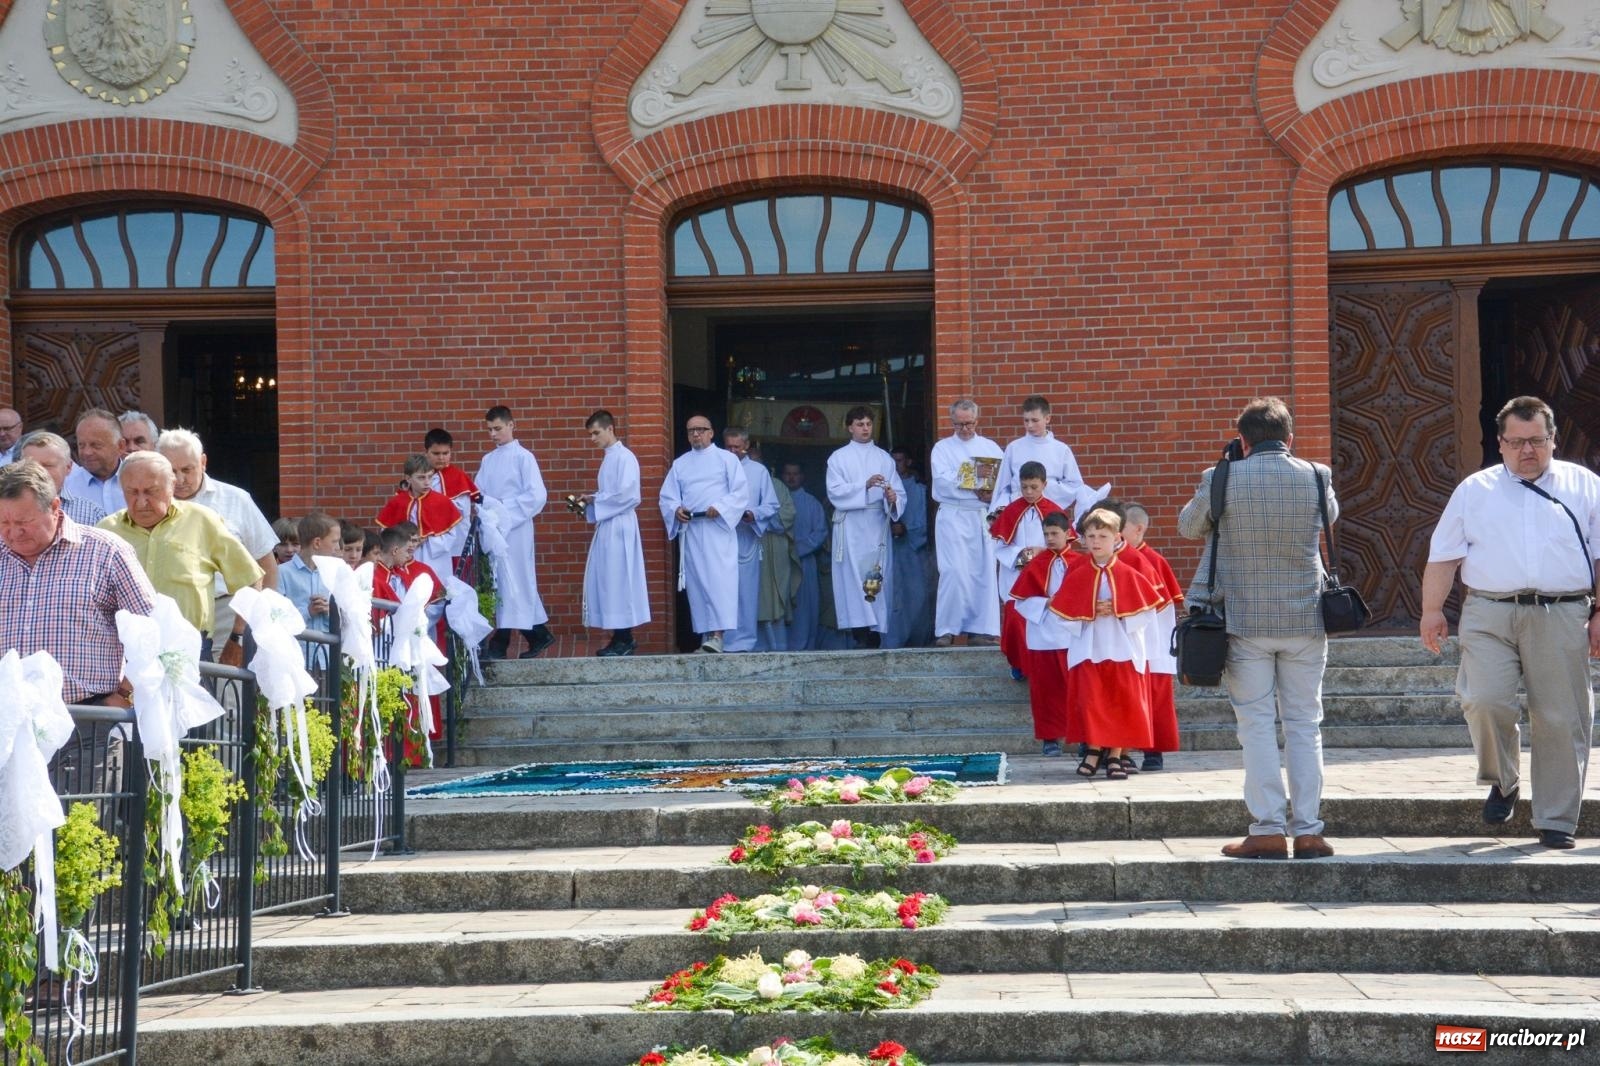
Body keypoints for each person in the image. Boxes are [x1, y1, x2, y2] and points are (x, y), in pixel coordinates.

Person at [1420, 395, 1600, 850]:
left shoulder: (1585, 485)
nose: (1527, 451)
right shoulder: (1474, 490)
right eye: (1516, 442)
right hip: (1489, 610)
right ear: (1499, 443)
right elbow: (1443, 556)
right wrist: (1431, 610)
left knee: (1561, 717)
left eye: (1536, 440)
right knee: (1483, 700)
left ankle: (1556, 818)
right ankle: (1504, 779)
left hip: (1562, 611)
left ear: (1553, 440)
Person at [1179, 397, 1337, 860]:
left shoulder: (1221, 477)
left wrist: (1225, 473)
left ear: (1243, 441)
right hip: (1306, 620)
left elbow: (1189, 527)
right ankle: (1308, 831)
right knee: (1305, 725)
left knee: (1256, 726)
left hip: (1245, 620)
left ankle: (1267, 829)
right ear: (1290, 439)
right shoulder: (1316, 475)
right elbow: (1329, 518)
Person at [0, 460, 155, 705]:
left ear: (54, 507)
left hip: (88, 715)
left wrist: (125, 696)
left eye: (23, 522)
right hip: (7, 717)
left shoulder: (106, 551)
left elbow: (154, 631)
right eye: (3, 523)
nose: (13, 532)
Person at [99, 450, 263, 667]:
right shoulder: (106, 531)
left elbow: (250, 579)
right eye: (132, 492)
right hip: (123, 654)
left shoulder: (202, 521)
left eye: (151, 491)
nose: (141, 502)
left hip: (190, 652)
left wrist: (238, 638)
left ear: (172, 485)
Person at [1050, 507, 1163, 779]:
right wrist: (1089, 609)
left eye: (1103, 536)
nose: (1096, 541)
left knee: (1120, 701)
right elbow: (1062, 614)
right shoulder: (1077, 573)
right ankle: (1093, 750)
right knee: (1092, 701)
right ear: (1083, 539)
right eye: (1091, 536)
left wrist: (1119, 609)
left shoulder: (1129, 573)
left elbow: (1147, 613)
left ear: (1116, 538)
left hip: (1122, 647)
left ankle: (1115, 755)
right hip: (1089, 647)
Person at [157, 428, 280, 655]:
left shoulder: (236, 500)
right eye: (172, 471)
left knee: (225, 677)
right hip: (171, 612)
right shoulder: (149, 506)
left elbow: (266, 564)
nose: (180, 479)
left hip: (228, 610)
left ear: (203, 462)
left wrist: (256, 625)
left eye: (187, 469)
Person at [659, 414, 747, 653]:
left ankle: (718, 635)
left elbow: (740, 492)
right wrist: (676, 509)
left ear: (711, 432)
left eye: (700, 429)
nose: (696, 434)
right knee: (698, 584)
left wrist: (720, 507)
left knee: (719, 582)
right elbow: (667, 497)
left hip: (717, 530)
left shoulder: (727, 459)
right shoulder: (681, 464)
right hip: (693, 530)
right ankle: (707, 636)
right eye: (691, 431)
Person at [475, 406, 553, 659]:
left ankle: (503, 641)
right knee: (502, 582)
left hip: (516, 530)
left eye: (497, 428)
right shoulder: (488, 460)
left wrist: (502, 508)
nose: (493, 434)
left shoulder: (524, 458)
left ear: (511, 425)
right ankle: (535, 634)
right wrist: (487, 513)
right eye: (489, 429)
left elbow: (537, 495)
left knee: (517, 579)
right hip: (495, 529)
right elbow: (479, 493)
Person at [826, 407, 905, 647]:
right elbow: (834, 491)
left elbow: (898, 491)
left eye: (869, 424)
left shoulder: (884, 458)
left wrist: (893, 498)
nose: (865, 428)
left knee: (876, 574)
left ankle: (875, 631)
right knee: (853, 577)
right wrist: (864, 485)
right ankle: (859, 631)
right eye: (860, 424)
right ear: (850, 427)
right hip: (851, 524)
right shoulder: (838, 457)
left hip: (876, 524)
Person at [930, 399, 1005, 646]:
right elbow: (942, 481)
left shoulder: (990, 447)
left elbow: (1004, 480)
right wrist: (974, 474)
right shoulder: (942, 448)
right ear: (952, 422)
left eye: (969, 424)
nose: (964, 429)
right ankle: (947, 629)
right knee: (953, 571)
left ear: (976, 421)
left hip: (981, 515)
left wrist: (990, 494)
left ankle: (980, 630)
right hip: (954, 515)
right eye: (959, 424)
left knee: (983, 573)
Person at [575, 410, 649, 656]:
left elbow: (629, 495)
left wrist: (598, 502)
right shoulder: (609, 458)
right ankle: (619, 636)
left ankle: (624, 638)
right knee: (609, 580)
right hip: (609, 525)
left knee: (619, 580)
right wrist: (592, 499)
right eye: (590, 434)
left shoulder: (625, 457)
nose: (593, 438)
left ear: (610, 429)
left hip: (620, 526)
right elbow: (612, 493)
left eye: (596, 433)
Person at [1118, 502, 1184, 772]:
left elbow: (1162, 606)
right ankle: (1118, 752)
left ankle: (1153, 752)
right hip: (1122, 639)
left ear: (1138, 529)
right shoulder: (1112, 559)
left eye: (1120, 528)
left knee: (1155, 699)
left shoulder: (1154, 561)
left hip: (1153, 640)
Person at [989, 462, 1066, 679]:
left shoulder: (1054, 511)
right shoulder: (1011, 511)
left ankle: (1040, 667)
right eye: (1024, 487)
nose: (1029, 492)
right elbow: (1000, 545)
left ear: (1044, 485)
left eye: (1034, 487)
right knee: (1016, 620)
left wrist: (1042, 553)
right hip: (1016, 573)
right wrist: (1021, 556)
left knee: (1042, 619)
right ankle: (1018, 664)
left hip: (1045, 575)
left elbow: (1063, 543)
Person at [1010, 510, 1076, 755]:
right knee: (1045, 691)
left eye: (1054, 533)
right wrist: (1047, 602)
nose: (1049, 538)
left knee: (1077, 690)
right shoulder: (1035, 564)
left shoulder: (1080, 562)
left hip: (1074, 636)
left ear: (1067, 534)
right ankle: (1050, 738)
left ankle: (1083, 737)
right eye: (1046, 534)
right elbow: (1020, 602)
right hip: (1043, 635)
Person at [722, 427, 781, 653]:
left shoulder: (758, 471)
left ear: (746, 446)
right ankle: (718, 639)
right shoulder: (717, 467)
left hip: (746, 536)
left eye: (737, 447)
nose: (732, 451)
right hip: (719, 536)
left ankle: (744, 642)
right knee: (720, 589)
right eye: (728, 447)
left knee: (746, 591)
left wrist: (752, 514)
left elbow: (772, 505)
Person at [993, 395, 1099, 513]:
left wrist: (1047, 488)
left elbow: (1075, 485)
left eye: (1035, 420)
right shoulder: (1013, 448)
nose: (1030, 425)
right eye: (1026, 420)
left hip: (1049, 513)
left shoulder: (1061, 449)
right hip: (1018, 511)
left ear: (1047, 418)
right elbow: (1003, 486)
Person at [376, 454, 464, 580]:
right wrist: (403, 542)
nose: (427, 482)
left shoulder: (442, 502)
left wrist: (428, 540)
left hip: (434, 559)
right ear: (408, 478)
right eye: (421, 478)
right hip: (404, 557)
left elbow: (452, 536)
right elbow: (386, 534)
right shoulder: (397, 502)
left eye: (430, 477)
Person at [749, 442, 798, 652]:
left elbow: (789, 513)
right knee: (749, 598)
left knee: (774, 600)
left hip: (774, 548)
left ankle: (778, 648)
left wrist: (759, 519)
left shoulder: (776, 485)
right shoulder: (735, 484)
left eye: (757, 461)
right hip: (749, 545)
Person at [781, 463, 828, 651]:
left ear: (802, 476)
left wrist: (797, 550)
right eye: (788, 474)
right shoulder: (776, 501)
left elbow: (820, 532)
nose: (791, 478)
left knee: (805, 606)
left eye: (795, 474)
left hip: (805, 562)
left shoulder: (812, 503)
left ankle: (805, 647)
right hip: (781, 562)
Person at [886, 447, 930, 649]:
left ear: (908, 462)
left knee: (916, 595)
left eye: (900, 461)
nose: (896, 466)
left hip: (913, 552)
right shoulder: (884, 489)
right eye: (892, 461)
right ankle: (892, 641)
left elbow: (926, 521)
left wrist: (906, 529)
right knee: (891, 597)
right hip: (890, 551)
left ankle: (917, 640)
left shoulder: (920, 490)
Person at [17, 431, 105, 526]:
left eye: (47, 465)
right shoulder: (7, 509)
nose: (38, 471)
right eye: (31, 465)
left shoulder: (93, 514)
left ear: (68, 467)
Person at [279, 511, 341, 636]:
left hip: (327, 648)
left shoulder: (337, 573)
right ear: (317, 543)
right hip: (296, 646)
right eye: (334, 542)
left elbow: (349, 618)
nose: (338, 547)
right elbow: (275, 617)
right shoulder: (282, 573)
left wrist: (331, 611)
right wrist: (308, 612)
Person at [424, 427, 479, 568]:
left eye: (445, 453)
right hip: (429, 542)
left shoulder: (458, 476)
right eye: (436, 453)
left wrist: (431, 505)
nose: (441, 458)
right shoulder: (419, 476)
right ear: (426, 452)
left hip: (457, 543)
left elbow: (462, 511)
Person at [64, 408, 126, 514]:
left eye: (96, 445)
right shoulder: (65, 487)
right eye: (81, 445)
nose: (87, 452)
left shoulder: (140, 481)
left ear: (120, 446)